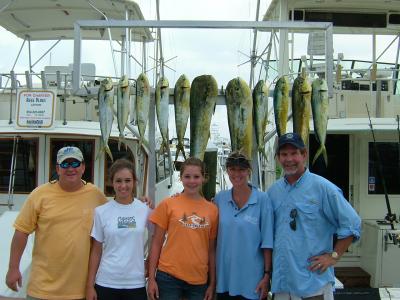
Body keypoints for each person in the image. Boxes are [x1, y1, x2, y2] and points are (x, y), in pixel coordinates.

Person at [267, 133, 361, 300]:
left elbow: (352, 224)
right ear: (278, 158)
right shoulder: (273, 192)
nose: (289, 159)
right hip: (282, 286)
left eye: (294, 153)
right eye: (284, 154)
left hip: (312, 286)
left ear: (304, 155)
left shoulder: (324, 188)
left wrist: (333, 256)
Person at [5, 146, 107, 299]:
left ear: (83, 167)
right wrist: (13, 268)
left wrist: (140, 203)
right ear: (58, 169)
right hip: (41, 290)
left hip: (80, 291)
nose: (70, 168)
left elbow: (116, 214)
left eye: (75, 163)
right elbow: (21, 232)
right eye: (65, 164)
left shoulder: (96, 195)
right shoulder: (39, 195)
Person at [147, 157, 219, 300]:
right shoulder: (168, 204)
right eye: (187, 176)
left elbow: (211, 250)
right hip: (168, 277)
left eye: (196, 177)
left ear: (204, 178)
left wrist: (212, 284)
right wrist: (151, 278)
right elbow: (156, 243)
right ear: (180, 178)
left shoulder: (213, 210)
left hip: (199, 281)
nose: (192, 181)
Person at [86, 158, 152, 300]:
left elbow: (158, 238)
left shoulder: (145, 209)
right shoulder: (101, 212)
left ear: (134, 182)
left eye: (128, 180)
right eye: (118, 181)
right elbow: (96, 251)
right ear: (112, 182)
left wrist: (150, 261)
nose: (123, 185)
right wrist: (90, 286)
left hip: (136, 283)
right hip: (106, 282)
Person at [214, 151, 273, 300]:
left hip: (252, 280)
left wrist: (267, 275)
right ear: (227, 170)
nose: (236, 173)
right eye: (232, 169)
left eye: (241, 169)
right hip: (224, 278)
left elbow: (267, 241)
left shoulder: (262, 199)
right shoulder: (220, 198)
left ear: (248, 171)